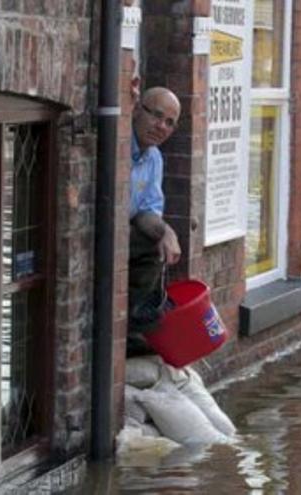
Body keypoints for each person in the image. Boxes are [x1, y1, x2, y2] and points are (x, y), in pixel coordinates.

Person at [127, 86, 183, 355]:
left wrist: (165, 232)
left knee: (156, 241)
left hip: (125, 232)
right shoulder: (118, 146)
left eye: (169, 123)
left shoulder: (153, 158)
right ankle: (131, 329)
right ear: (138, 109)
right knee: (150, 246)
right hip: (97, 233)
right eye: (156, 116)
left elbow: (146, 212)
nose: (161, 126)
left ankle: (136, 325)